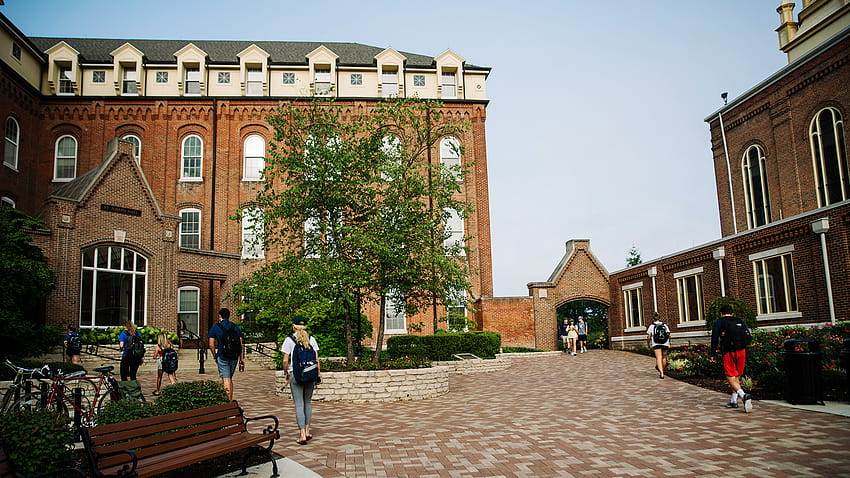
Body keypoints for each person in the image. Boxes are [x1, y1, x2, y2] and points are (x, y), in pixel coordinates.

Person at [281, 315, 321, 445]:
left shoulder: (289, 340)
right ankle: (308, 431)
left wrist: (286, 372)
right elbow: (316, 359)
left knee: (299, 404)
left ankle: (302, 434)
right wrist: (317, 375)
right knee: (307, 403)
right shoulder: (311, 339)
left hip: (296, 375)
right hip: (310, 374)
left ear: (294, 326)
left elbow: (285, 360)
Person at [711, 303, 753, 412]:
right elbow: (749, 337)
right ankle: (733, 400)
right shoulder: (740, 321)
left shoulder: (719, 323)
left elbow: (715, 339)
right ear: (732, 313)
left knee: (729, 375)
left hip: (728, 351)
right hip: (741, 351)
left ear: (721, 313)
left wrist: (712, 354)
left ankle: (743, 395)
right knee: (736, 375)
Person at [208, 307, 245, 401]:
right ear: (229, 316)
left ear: (220, 316)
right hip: (234, 356)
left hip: (222, 355)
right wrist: (241, 358)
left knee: (226, 378)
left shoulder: (215, 327)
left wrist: (215, 355)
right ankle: (230, 399)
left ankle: (227, 403)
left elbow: (211, 345)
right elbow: (241, 344)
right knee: (229, 378)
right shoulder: (235, 327)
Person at [646, 313, 670, 378]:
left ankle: (661, 373)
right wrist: (668, 342)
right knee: (664, 357)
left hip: (656, 343)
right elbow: (669, 335)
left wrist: (648, 344)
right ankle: (663, 370)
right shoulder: (664, 325)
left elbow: (648, 336)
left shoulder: (652, 326)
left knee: (659, 357)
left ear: (653, 318)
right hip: (665, 343)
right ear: (659, 318)